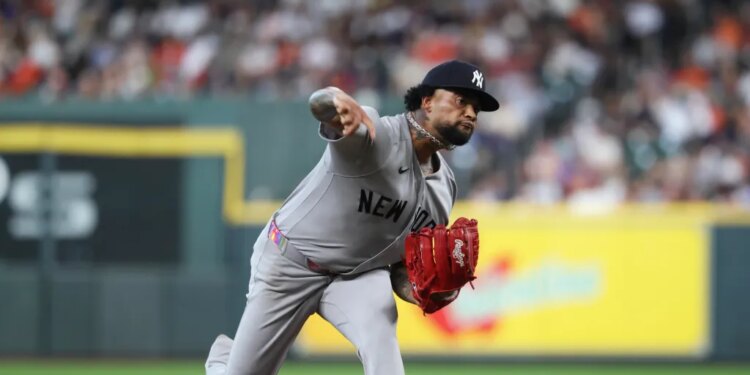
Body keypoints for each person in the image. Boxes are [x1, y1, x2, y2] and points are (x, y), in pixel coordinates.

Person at [205, 60, 500, 375]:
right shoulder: (376, 134)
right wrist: (337, 101)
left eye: (476, 108)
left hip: (357, 277)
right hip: (290, 262)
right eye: (461, 100)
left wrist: (419, 290)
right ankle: (224, 362)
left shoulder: (443, 189)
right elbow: (323, 105)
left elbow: (402, 268)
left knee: (383, 349)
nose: (470, 112)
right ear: (427, 101)